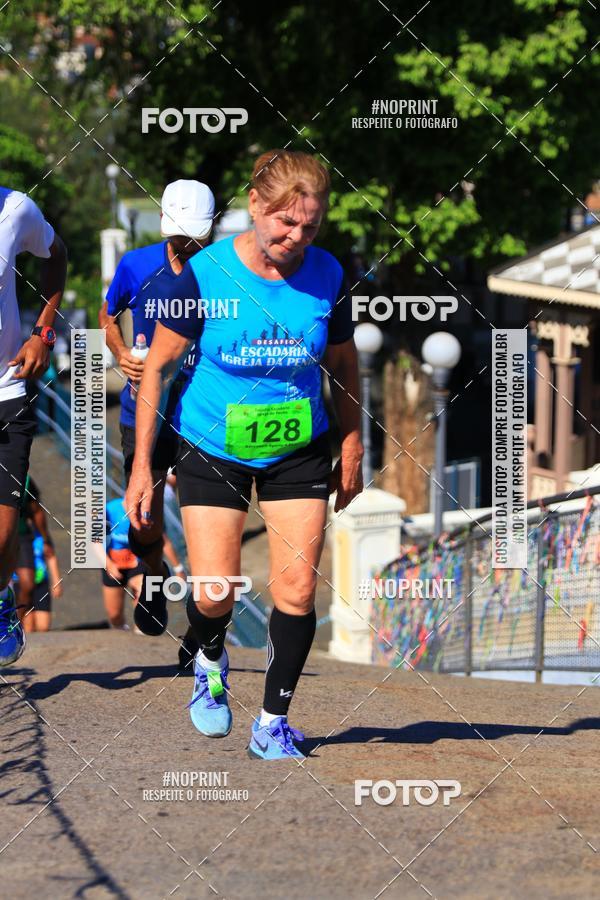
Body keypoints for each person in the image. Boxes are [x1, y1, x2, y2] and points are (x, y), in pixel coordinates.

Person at [126, 150, 363, 759]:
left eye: (310, 225)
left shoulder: (331, 274)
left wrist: (353, 442)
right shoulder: (202, 276)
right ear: (255, 207)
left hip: (297, 449)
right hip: (211, 446)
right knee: (213, 595)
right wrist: (142, 470)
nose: (297, 236)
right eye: (286, 222)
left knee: (296, 589)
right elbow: (156, 370)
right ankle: (210, 658)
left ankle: (272, 723)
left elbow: (341, 364)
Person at [99, 180, 213, 653]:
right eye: (180, 234)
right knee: (142, 517)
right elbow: (107, 317)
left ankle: (205, 628)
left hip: (203, 413)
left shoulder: (220, 270)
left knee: (207, 518)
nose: (187, 244)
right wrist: (121, 350)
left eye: (195, 236)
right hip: (142, 410)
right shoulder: (136, 264)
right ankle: (153, 570)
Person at [0, 187, 67, 667]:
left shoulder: (14, 210)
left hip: (6, 391)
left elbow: (57, 255)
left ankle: (3, 598)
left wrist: (43, 332)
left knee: (4, 535)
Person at [104, 495, 186, 631]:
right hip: (112, 562)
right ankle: (120, 630)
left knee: (143, 596)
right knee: (114, 614)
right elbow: (94, 540)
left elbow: (163, 541)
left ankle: (141, 632)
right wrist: (108, 564)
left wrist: (178, 568)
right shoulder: (109, 510)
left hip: (138, 563)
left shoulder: (145, 513)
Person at [14, 474, 62, 632]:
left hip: (19, 535)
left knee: (27, 582)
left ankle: (15, 627)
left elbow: (37, 511)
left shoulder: (25, 480)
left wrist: (46, 538)